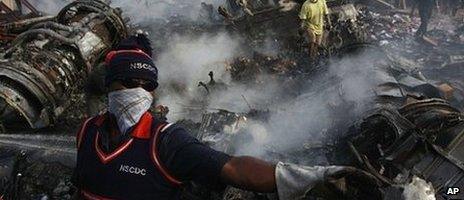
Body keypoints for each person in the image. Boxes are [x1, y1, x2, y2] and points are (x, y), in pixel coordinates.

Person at [72, 35, 382, 200]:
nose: (138, 92)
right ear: (109, 85)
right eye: (128, 83)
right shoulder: (87, 131)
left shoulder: (165, 141)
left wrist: (309, 176)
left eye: (147, 86)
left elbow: (234, 168)